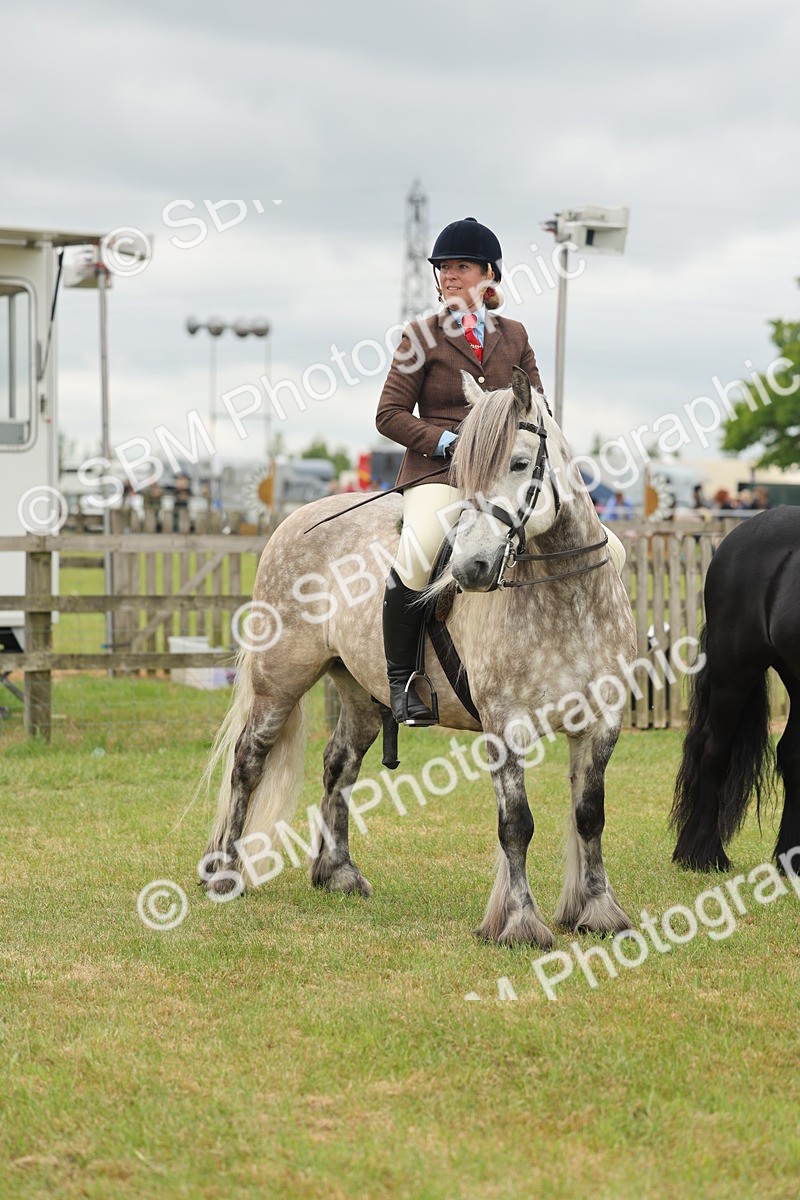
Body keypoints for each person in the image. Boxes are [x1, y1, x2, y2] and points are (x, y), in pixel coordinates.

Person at [375, 216, 548, 725]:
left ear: (488, 276)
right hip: (439, 474)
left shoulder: (514, 336)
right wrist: (449, 442)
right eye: (443, 267)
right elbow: (388, 415)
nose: (450, 275)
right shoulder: (419, 337)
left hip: (504, 479)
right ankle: (402, 681)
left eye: (462, 266)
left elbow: (538, 407)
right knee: (419, 552)